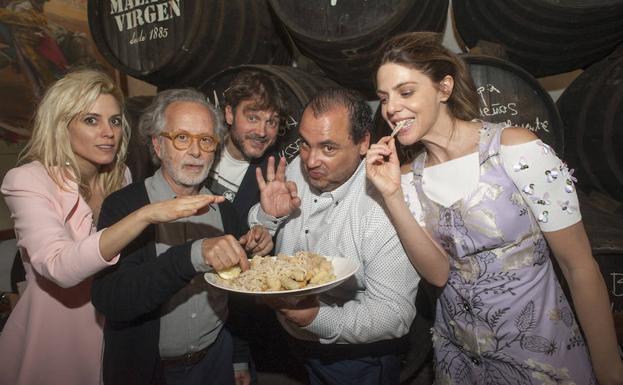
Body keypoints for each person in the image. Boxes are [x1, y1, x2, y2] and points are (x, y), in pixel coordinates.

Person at [366, 31, 623, 385]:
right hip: (459, 363)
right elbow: (438, 274)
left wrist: (611, 370)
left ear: (444, 88)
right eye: (384, 98)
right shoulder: (408, 178)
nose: (392, 107)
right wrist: (392, 195)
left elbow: (578, 265)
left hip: (539, 355)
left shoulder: (516, 149)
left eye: (406, 92)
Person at [0, 69, 217, 385]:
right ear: (62, 125)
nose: (109, 132)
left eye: (115, 121)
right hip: (58, 335)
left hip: (119, 331)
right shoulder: (28, 180)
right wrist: (144, 215)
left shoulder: (121, 178)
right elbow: (58, 266)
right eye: (91, 120)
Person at [91, 88, 274, 385]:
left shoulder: (224, 210)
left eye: (205, 140)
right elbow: (110, 300)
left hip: (215, 361)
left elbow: (238, 293)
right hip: (149, 370)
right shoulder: (126, 206)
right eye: (182, 138)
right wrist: (192, 256)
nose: (196, 151)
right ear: (157, 145)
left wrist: (256, 246)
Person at [248, 87, 420, 385]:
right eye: (304, 144)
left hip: (356, 359)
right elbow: (261, 230)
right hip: (292, 346)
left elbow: (396, 314)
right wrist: (266, 220)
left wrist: (316, 318)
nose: (311, 161)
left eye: (328, 148)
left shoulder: (384, 206)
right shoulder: (296, 171)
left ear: (363, 142)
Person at [205, 70, 289, 226]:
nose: (262, 132)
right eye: (252, 118)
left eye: (271, 122)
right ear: (230, 114)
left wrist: (263, 232)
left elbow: (252, 232)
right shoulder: (201, 146)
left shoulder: (275, 175)